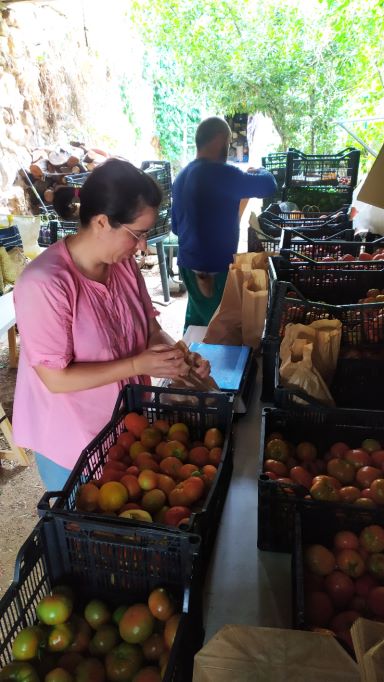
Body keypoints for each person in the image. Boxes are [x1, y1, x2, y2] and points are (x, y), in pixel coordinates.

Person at [12, 158, 207, 490]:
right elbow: (55, 379)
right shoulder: (44, 284)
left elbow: (148, 329)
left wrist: (176, 358)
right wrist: (136, 363)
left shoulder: (123, 267)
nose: (143, 245)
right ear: (102, 222)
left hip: (126, 425)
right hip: (73, 444)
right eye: (138, 234)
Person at [172, 116, 277, 329]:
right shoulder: (221, 173)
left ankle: (189, 358)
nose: (228, 149)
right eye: (228, 143)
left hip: (187, 264)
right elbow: (269, 185)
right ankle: (212, 362)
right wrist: (258, 170)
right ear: (221, 140)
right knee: (220, 327)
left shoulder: (182, 175)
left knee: (197, 321)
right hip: (213, 268)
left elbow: (175, 226)